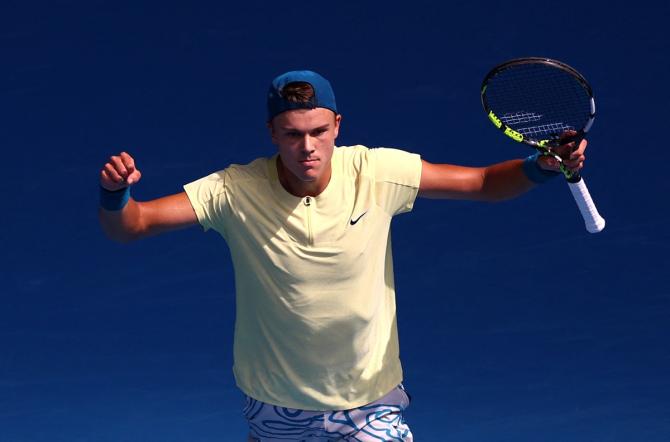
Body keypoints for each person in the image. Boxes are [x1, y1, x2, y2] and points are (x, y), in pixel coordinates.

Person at [99, 70, 586, 441]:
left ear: (337, 126)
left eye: (317, 131)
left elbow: (481, 184)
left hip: (370, 402)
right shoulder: (232, 189)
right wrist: (115, 195)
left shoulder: (377, 171)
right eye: (292, 134)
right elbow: (134, 226)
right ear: (272, 133)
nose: (307, 147)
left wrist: (539, 167)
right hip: (274, 404)